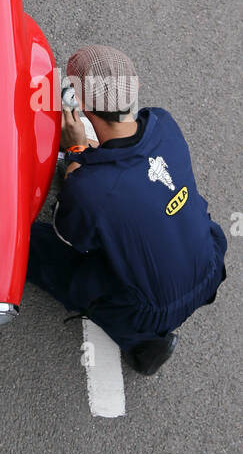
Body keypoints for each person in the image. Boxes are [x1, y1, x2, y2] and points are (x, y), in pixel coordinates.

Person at [27, 44, 227, 375]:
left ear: (85, 108)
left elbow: (71, 237)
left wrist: (76, 150)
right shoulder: (163, 123)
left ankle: (144, 344)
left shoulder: (90, 188)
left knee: (34, 247)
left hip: (154, 307)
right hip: (206, 265)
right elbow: (127, 164)